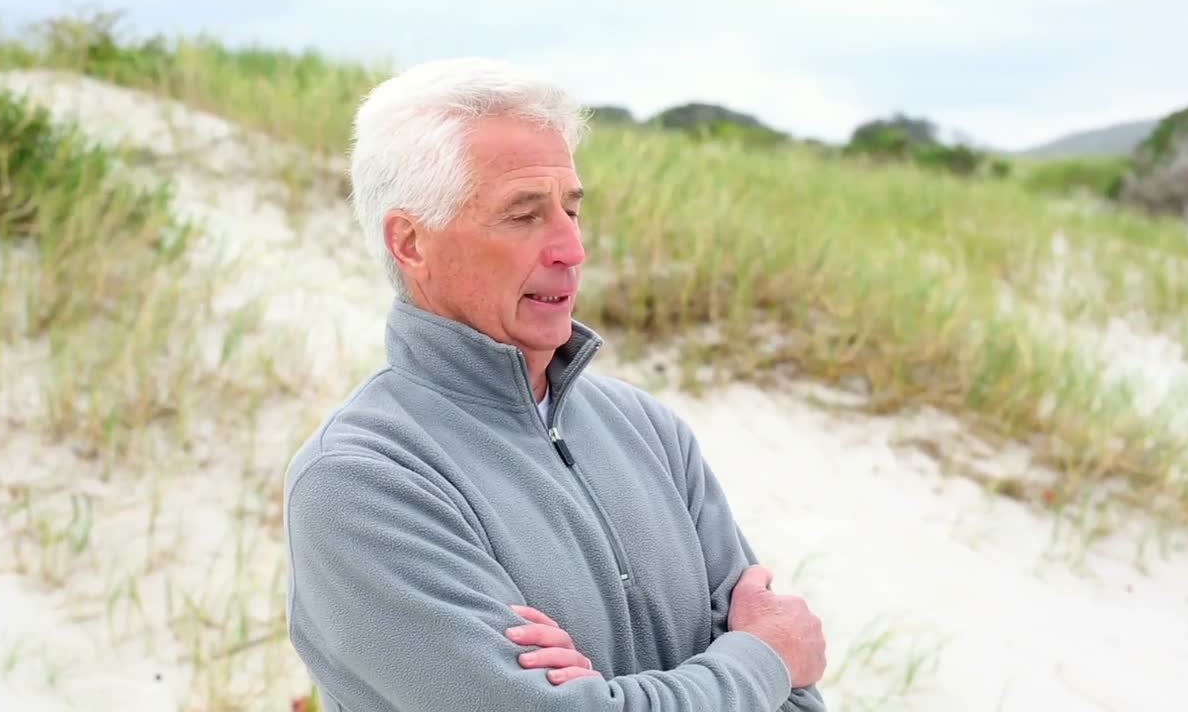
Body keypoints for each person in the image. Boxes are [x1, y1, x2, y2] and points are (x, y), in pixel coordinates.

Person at [283, 56, 827, 711]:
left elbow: (797, 698)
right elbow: (776, 663)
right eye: (523, 214)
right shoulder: (362, 481)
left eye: (570, 209)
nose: (571, 248)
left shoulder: (649, 430)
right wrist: (757, 659)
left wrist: (621, 693)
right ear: (410, 243)